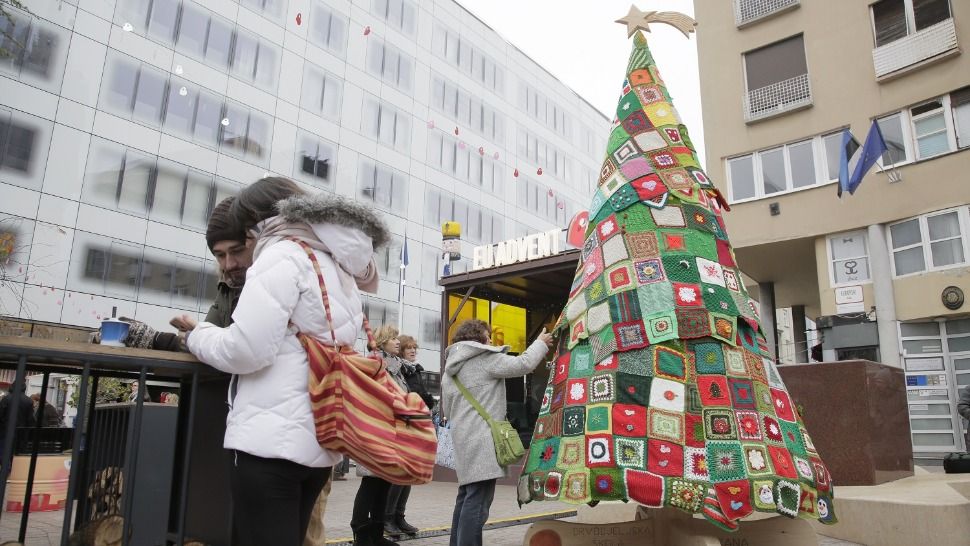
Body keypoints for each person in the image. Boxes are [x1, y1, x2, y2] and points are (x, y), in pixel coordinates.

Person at [183, 177, 387, 546]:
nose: (249, 242)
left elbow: (247, 351)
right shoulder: (333, 264)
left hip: (269, 443)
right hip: (316, 443)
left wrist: (195, 335)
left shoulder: (281, 254)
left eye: (247, 231)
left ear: (260, 221)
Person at [440, 319, 553, 546]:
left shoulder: (450, 369)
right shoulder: (483, 359)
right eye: (488, 336)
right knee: (478, 502)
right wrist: (541, 343)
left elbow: (447, 410)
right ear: (478, 338)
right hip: (483, 439)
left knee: (466, 497)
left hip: (463, 439)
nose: (491, 340)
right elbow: (524, 364)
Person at [352, 325, 407, 545]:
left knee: (384, 482)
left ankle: (376, 532)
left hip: (390, 432)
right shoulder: (375, 364)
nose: (397, 341)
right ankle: (361, 532)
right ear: (382, 340)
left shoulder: (397, 366)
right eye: (393, 338)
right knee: (371, 483)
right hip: (376, 431)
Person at [0, 384, 36, 473]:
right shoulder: (28, 401)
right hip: (21, 432)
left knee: (4, 450)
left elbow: (1, 415)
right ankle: (12, 469)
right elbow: (30, 419)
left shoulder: (6, 398)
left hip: (5, 430)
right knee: (15, 452)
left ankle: (5, 468)